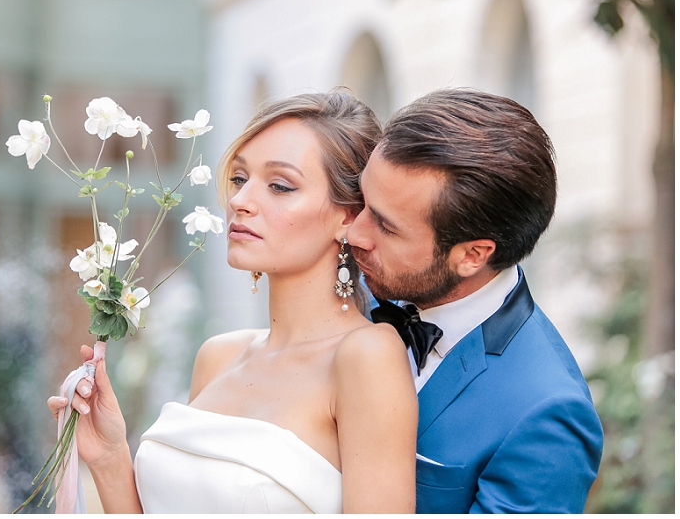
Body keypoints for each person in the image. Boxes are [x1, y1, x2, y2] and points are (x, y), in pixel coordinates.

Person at [48, 91, 418, 513]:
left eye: (279, 186)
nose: (240, 201)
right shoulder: (218, 356)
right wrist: (110, 457)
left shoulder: (367, 356)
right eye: (240, 179)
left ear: (348, 216)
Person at [346, 88, 604, 513]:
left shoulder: (545, 414)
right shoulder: (349, 291)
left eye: (386, 227)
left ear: (472, 255)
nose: (354, 233)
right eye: (363, 201)